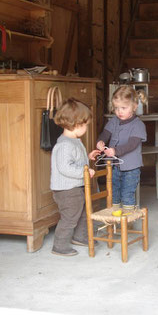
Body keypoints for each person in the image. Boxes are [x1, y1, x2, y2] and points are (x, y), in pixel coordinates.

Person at [50, 98, 98, 257]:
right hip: (66, 190)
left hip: (75, 187)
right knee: (70, 217)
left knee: (83, 212)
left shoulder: (74, 141)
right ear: (76, 124)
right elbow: (65, 167)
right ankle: (60, 245)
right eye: (85, 125)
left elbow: (75, 160)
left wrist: (88, 158)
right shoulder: (65, 145)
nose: (86, 128)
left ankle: (79, 236)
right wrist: (84, 172)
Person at [91, 85, 147, 212]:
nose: (119, 111)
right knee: (113, 193)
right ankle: (115, 221)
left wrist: (116, 151)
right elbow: (105, 134)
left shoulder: (138, 125)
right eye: (116, 108)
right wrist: (100, 141)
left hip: (131, 168)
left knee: (127, 194)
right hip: (113, 166)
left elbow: (132, 144)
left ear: (134, 106)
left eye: (123, 108)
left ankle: (127, 222)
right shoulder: (113, 121)